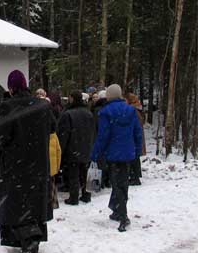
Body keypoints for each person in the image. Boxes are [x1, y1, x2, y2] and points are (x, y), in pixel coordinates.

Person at [0, 70, 54, 253]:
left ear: (11, 88)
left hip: (15, 166)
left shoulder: (8, 107)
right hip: (39, 164)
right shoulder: (43, 105)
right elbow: (53, 127)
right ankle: (33, 234)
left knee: (17, 205)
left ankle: (26, 239)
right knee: (34, 203)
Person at [91, 84, 143, 232]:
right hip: (127, 152)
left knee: (116, 183)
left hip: (113, 153)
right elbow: (137, 132)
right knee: (123, 182)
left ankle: (122, 214)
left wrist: (95, 153)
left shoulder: (106, 112)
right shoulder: (131, 111)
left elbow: (103, 136)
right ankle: (118, 210)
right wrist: (137, 150)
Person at [58, 90, 96, 205]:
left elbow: (64, 134)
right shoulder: (88, 113)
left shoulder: (68, 114)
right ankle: (87, 194)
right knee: (85, 173)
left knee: (73, 174)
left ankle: (73, 197)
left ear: (72, 98)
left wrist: (62, 149)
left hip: (73, 148)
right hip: (86, 147)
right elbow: (93, 131)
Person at [126, 92, 146, 185]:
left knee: (134, 158)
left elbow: (136, 124)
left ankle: (135, 177)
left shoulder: (133, 110)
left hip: (134, 136)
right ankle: (135, 176)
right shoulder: (138, 109)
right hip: (137, 136)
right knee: (135, 158)